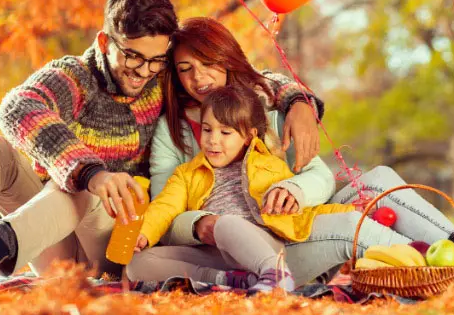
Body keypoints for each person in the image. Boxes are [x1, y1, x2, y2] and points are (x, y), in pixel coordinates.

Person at [0, 0, 321, 290]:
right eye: (132, 56)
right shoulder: (76, 76)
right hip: (49, 237)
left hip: (118, 243)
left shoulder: (164, 75)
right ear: (104, 41)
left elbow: (241, 78)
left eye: (156, 60)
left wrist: (298, 99)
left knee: (90, 189)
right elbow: (17, 108)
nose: (144, 71)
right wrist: (88, 171)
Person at [129, 17, 454, 288]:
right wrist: (206, 224)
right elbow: (169, 206)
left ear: (228, 60)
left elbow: (318, 175)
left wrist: (293, 188)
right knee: (351, 224)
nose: (199, 78)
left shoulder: (264, 105)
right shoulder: (173, 133)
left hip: (295, 212)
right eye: (185, 69)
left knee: (376, 178)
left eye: (209, 64)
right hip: (249, 239)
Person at [133, 86, 355, 292]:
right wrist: (144, 233)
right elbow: (165, 206)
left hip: (263, 246)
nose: (212, 140)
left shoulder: (267, 165)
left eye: (225, 133)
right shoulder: (187, 173)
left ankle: (275, 273)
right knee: (137, 265)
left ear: (248, 136)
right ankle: (231, 280)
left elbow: (304, 213)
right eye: (207, 130)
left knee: (226, 223)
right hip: (218, 254)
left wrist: (348, 210)